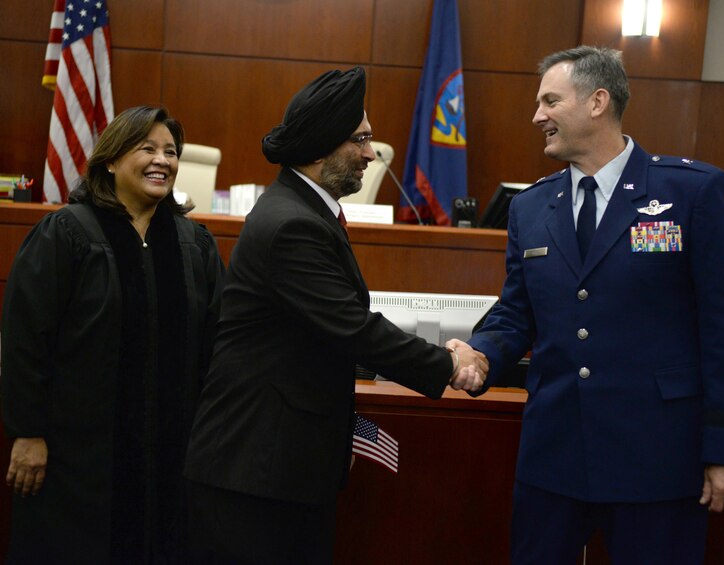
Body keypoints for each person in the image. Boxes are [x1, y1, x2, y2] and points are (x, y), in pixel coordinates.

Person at [459, 46, 724, 564]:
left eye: (550, 101)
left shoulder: (691, 193)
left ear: (598, 101)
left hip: (658, 459)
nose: (537, 116)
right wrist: (480, 352)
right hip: (553, 459)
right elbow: (515, 311)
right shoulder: (530, 207)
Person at [184, 66, 486, 564]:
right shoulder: (292, 225)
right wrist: (448, 365)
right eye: (361, 139)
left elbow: (318, 335)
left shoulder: (304, 211)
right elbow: (351, 327)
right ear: (322, 146)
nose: (371, 153)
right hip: (254, 476)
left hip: (281, 467)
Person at [1, 106, 225, 564]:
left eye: (170, 151)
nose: (163, 159)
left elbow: (217, 348)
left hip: (170, 455)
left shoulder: (194, 246)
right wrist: (27, 433)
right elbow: (25, 340)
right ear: (110, 160)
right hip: (78, 460)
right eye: (147, 148)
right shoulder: (67, 234)